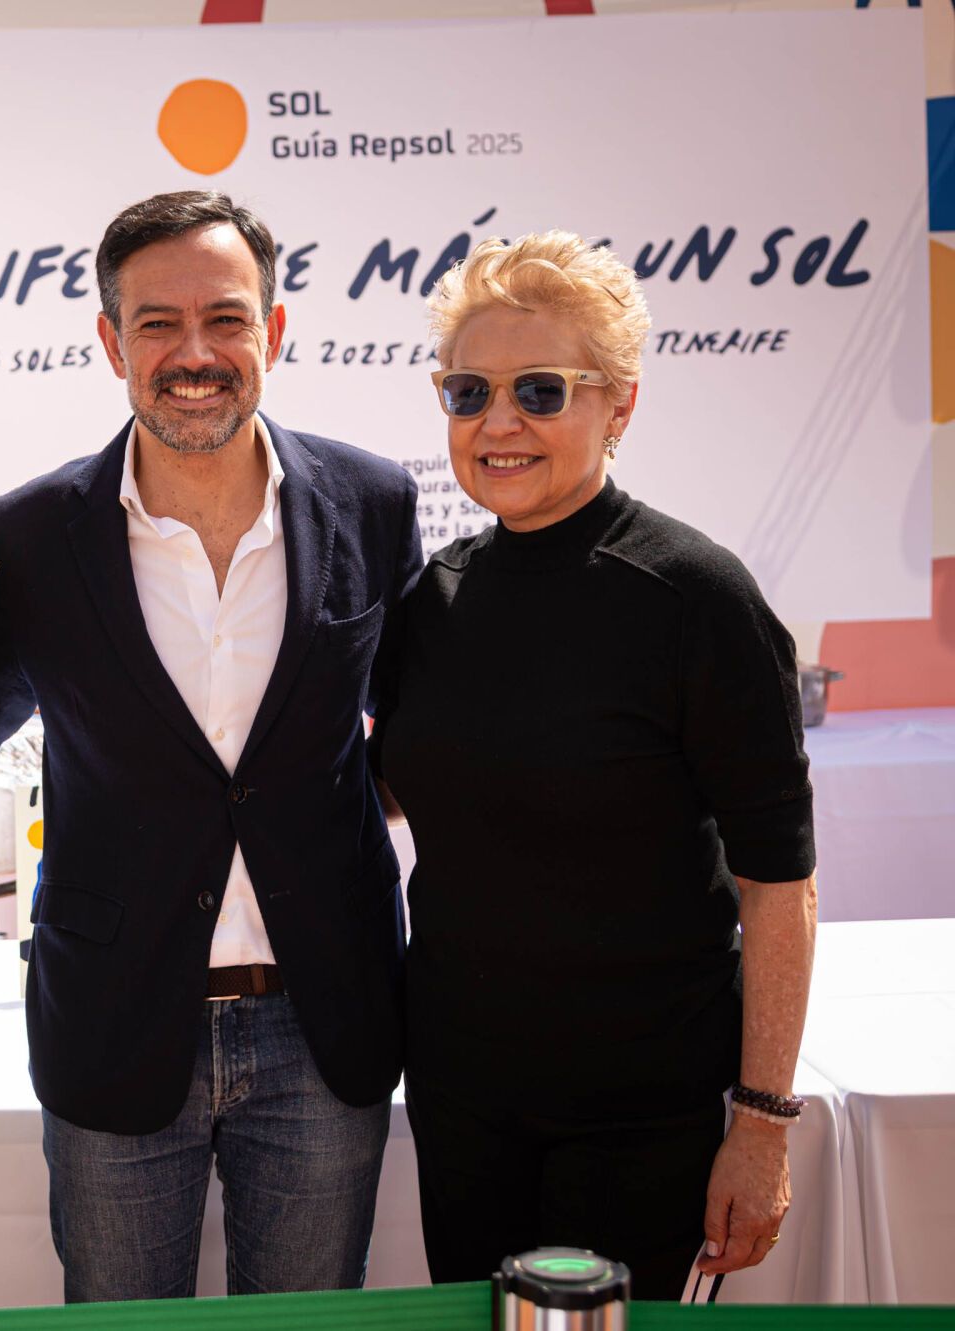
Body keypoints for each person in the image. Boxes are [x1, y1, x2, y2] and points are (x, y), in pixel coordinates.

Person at [0, 191, 424, 1302]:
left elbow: (424, 734)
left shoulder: (372, 502)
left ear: (273, 331)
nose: (193, 354)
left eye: (225, 319)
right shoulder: (28, 535)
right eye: (155, 323)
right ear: (106, 341)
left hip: (322, 1023)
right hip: (116, 1019)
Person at [371, 231, 818, 1298]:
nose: (496, 421)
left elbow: (778, 885)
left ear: (618, 405)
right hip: (461, 1098)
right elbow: (390, 792)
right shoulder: (431, 599)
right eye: (465, 390)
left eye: (538, 389)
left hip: (642, 1111)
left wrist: (759, 1123)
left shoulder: (696, 599)